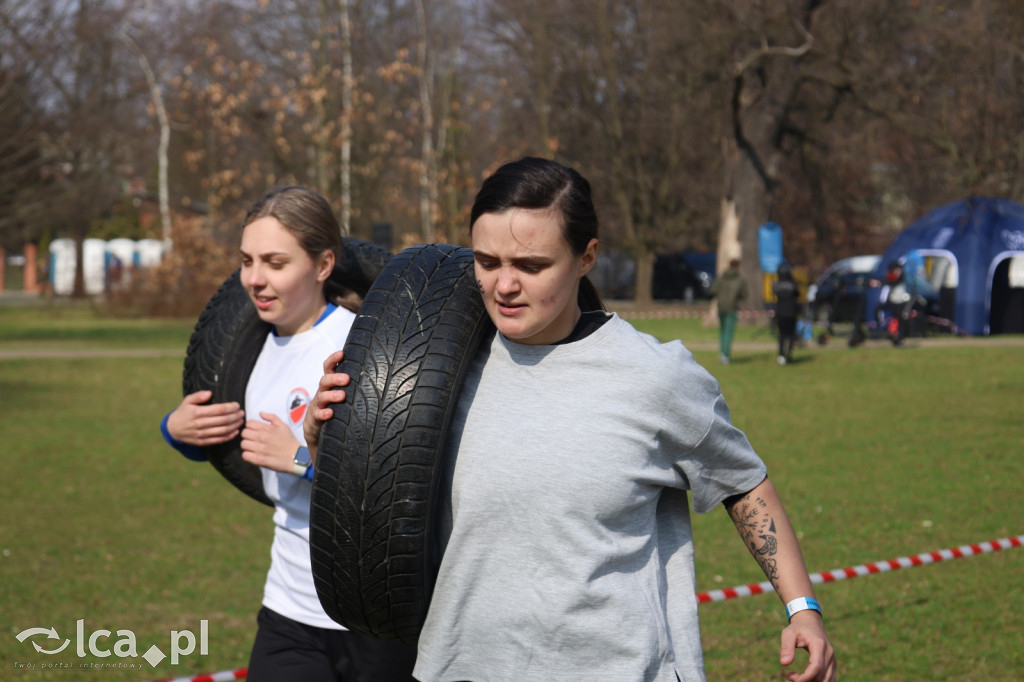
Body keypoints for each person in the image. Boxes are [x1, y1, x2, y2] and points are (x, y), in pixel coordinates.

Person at [305, 158, 836, 682]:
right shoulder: (436, 368)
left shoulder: (655, 377)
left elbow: (745, 484)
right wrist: (333, 434)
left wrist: (802, 608)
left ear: (586, 258)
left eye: (531, 266)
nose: (504, 285)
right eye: (487, 262)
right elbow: (382, 499)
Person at [160, 186, 417, 682]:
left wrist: (301, 458)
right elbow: (237, 446)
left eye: (275, 263)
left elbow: (400, 484)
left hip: (374, 610)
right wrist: (177, 430)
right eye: (247, 261)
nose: (254, 280)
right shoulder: (250, 345)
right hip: (289, 605)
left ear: (323, 265)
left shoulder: (359, 345)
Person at [709, 257, 748, 364]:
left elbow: (713, 290)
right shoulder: (740, 279)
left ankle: (722, 353)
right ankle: (725, 354)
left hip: (721, 307)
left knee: (722, 331)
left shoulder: (722, 277)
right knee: (728, 332)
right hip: (732, 308)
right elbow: (744, 294)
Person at [772, 262, 800, 365]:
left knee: (782, 335)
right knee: (791, 334)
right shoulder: (792, 284)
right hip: (791, 313)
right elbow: (798, 294)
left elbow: (773, 293)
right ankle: (789, 351)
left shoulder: (777, 285)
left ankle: (781, 355)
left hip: (781, 313)